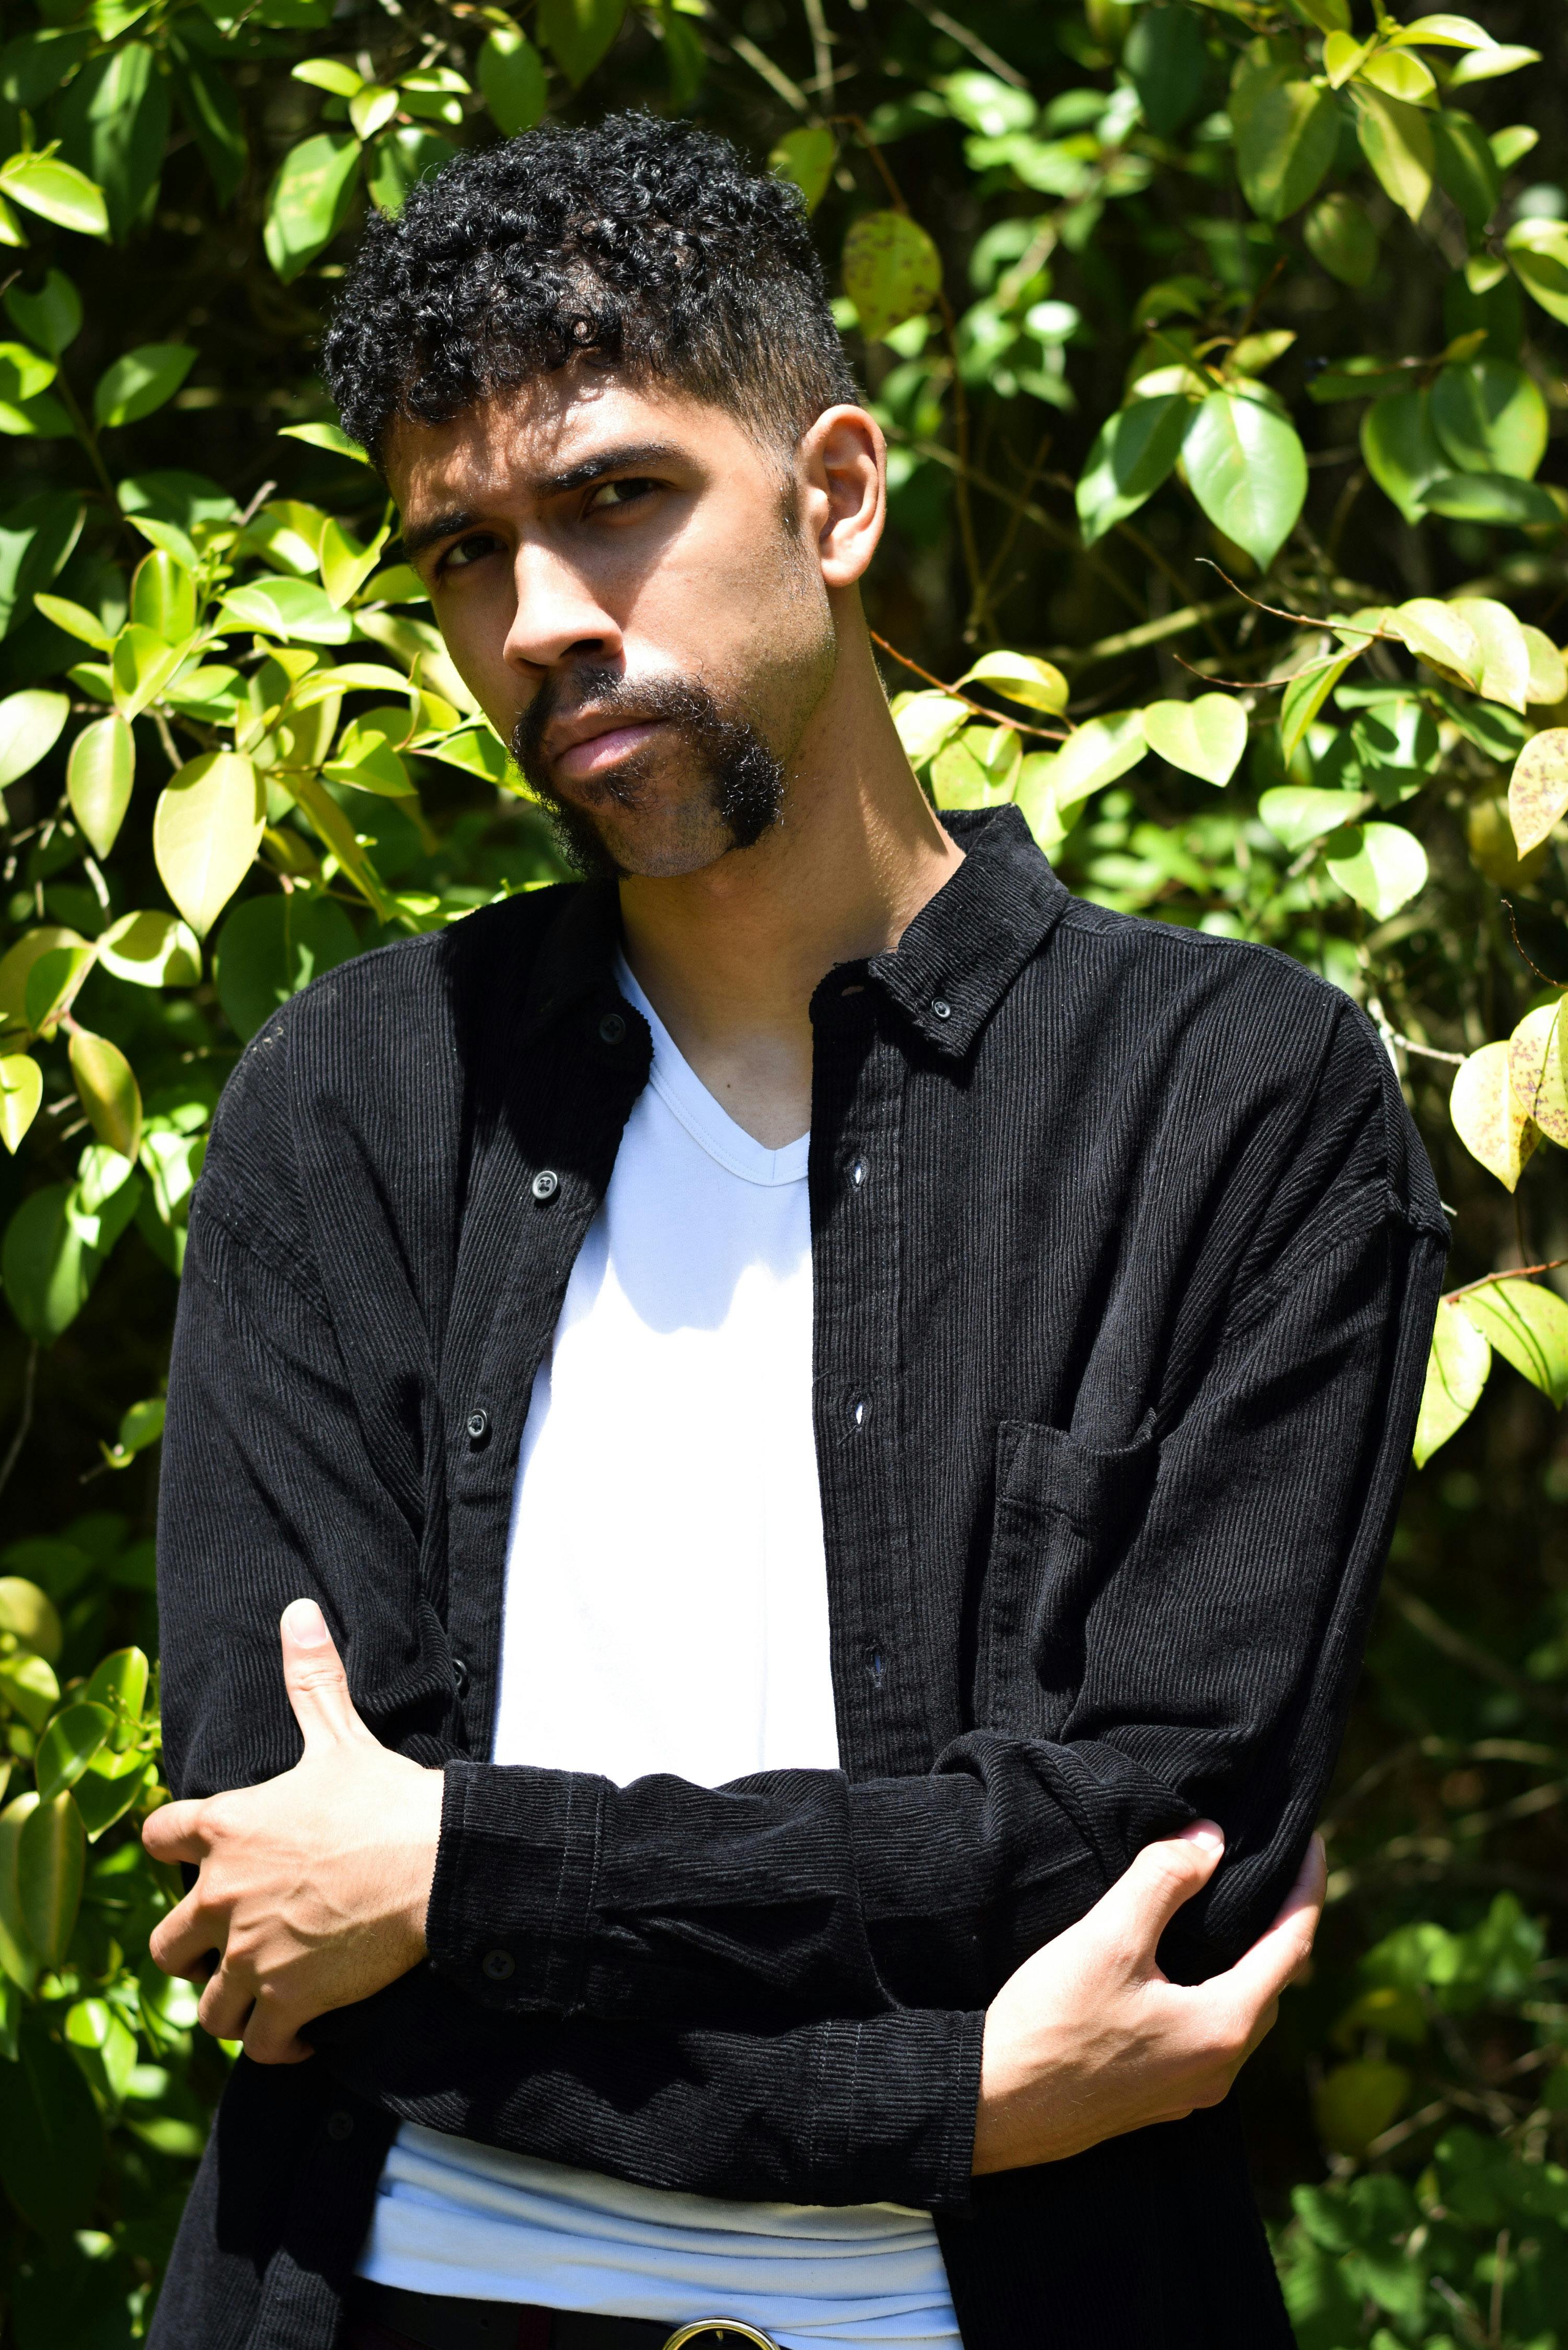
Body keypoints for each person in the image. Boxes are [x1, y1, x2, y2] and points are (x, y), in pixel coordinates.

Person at [143, 114, 1445, 2350]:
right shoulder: (357, 1105)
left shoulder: (1231, 1099)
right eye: (462, 553)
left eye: (617, 500)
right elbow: (273, 1908)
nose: (542, 617)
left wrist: (462, 1870)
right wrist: (934, 2092)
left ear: (832, 497)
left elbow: (1149, 1846)